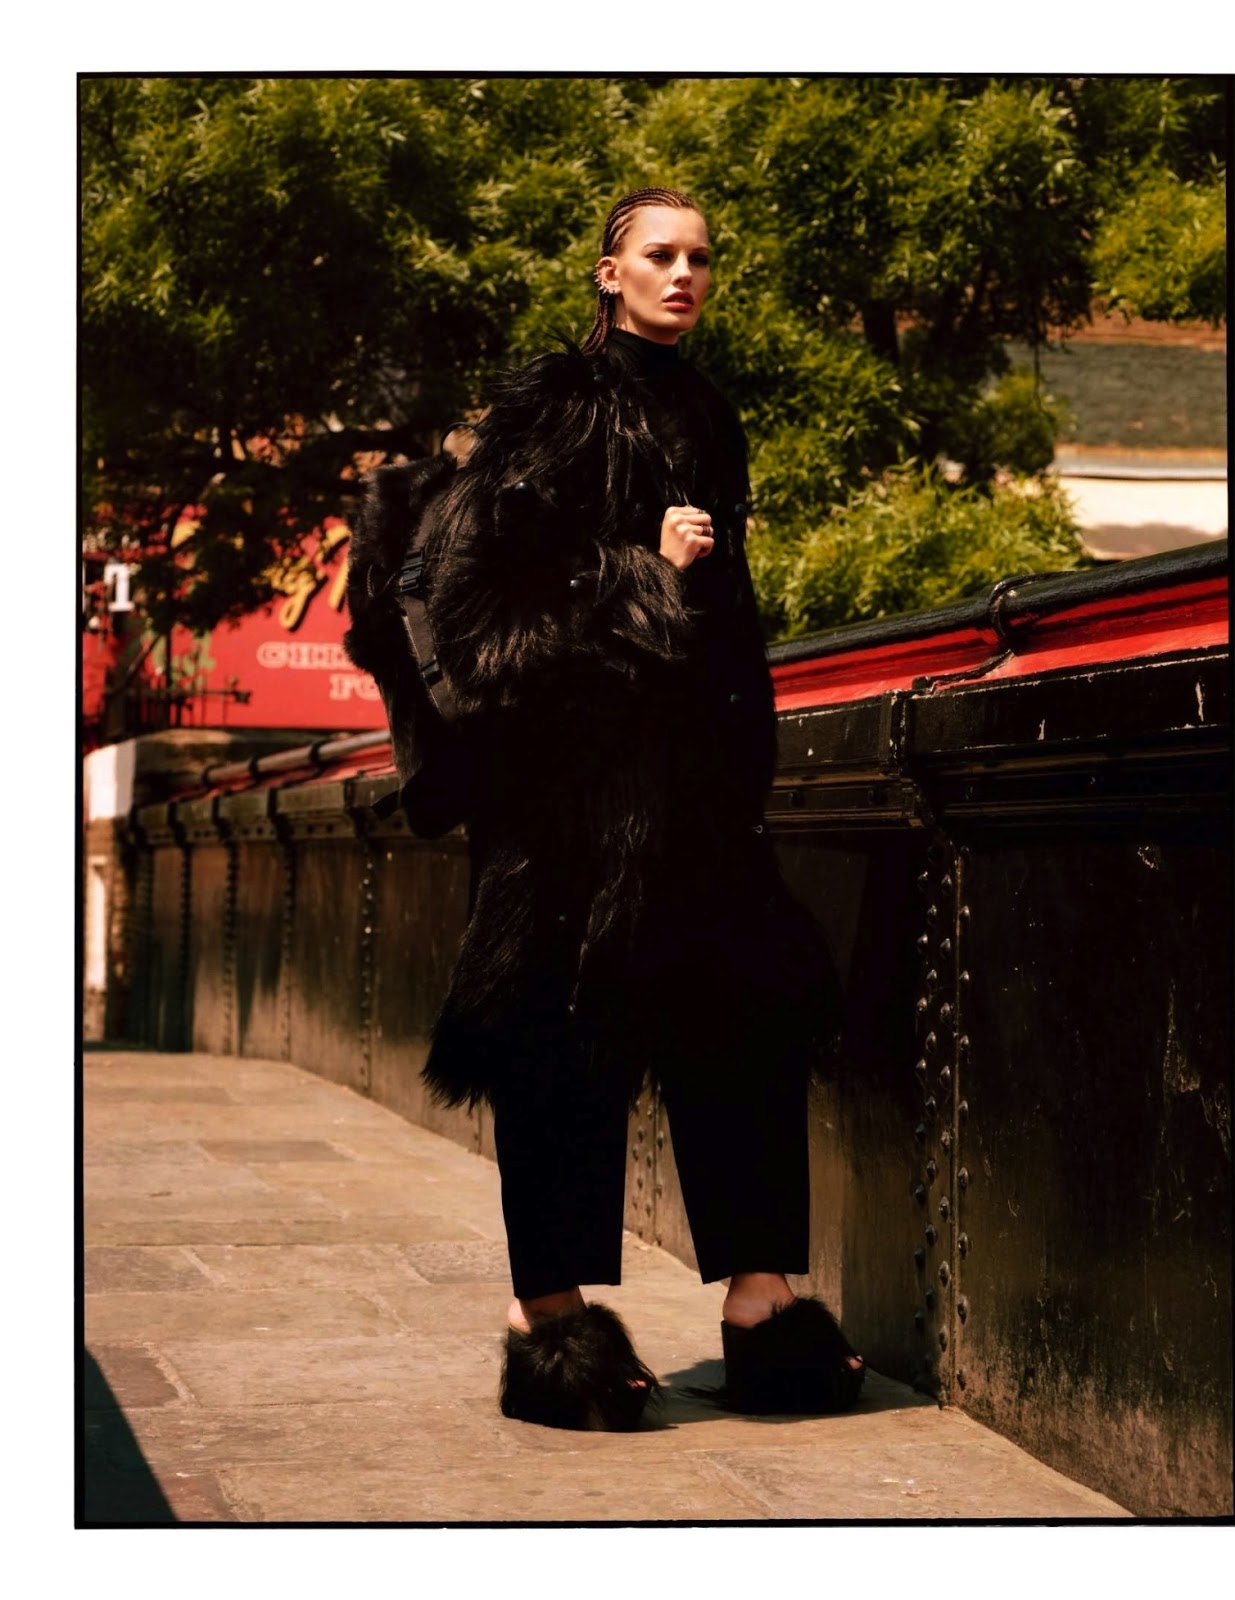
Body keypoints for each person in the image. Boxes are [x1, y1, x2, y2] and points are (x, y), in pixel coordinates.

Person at [346, 187, 864, 1430]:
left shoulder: (708, 411)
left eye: (700, 257)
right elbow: (482, 617)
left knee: (743, 1022)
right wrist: (645, 572)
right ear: (607, 273)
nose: (683, 275)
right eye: (658, 255)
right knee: (560, 1053)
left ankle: (761, 1304)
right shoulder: (557, 408)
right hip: (564, 805)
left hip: (695, 797)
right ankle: (548, 1318)